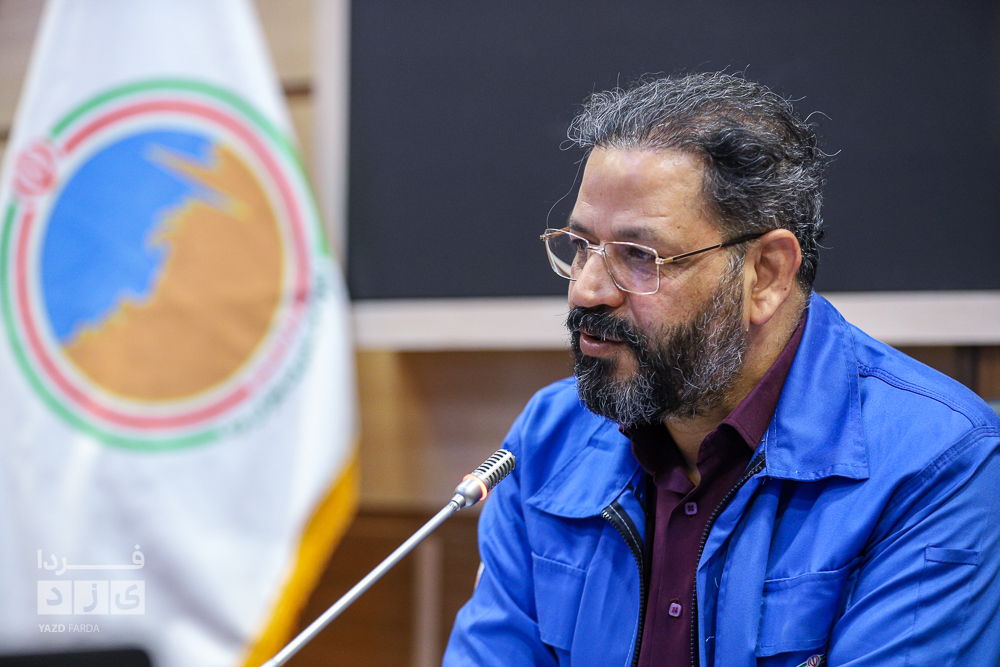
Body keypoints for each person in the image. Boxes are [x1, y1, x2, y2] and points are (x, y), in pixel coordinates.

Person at [442, 72, 1000, 667]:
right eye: (581, 246)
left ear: (766, 274)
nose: (587, 290)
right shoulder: (549, 437)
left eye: (639, 256)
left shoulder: (937, 462)